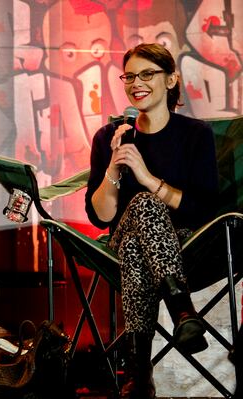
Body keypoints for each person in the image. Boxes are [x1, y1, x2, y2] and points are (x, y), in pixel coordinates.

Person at [85, 43, 219, 398]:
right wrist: (114, 165)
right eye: (129, 76)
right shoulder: (110, 138)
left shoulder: (196, 135)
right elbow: (102, 217)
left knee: (136, 246)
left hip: (187, 245)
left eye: (147, 74)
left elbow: (204, 210)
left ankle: (139, 372)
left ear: (171, 79)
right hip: (125, 233)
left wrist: (146, 178)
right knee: (141, 210)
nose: (136, 83)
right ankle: (182, 311)